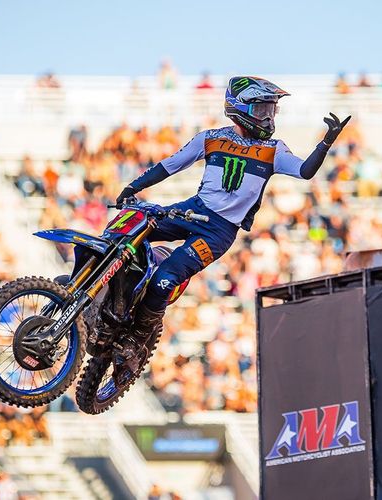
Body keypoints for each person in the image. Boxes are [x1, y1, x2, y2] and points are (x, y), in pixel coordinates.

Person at [113, 76, 350, 376]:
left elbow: (304, 171)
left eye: (272, 110)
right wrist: (132, 188)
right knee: (125, 228)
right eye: (262, 109)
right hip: (192, 209)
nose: (269, 117)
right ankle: (107, 296)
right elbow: (169, 165)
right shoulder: (210, 138)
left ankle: (135, 341)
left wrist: (326, 143)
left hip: (218, 232)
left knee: (165, 279)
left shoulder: (274, 149)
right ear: (239, 108)